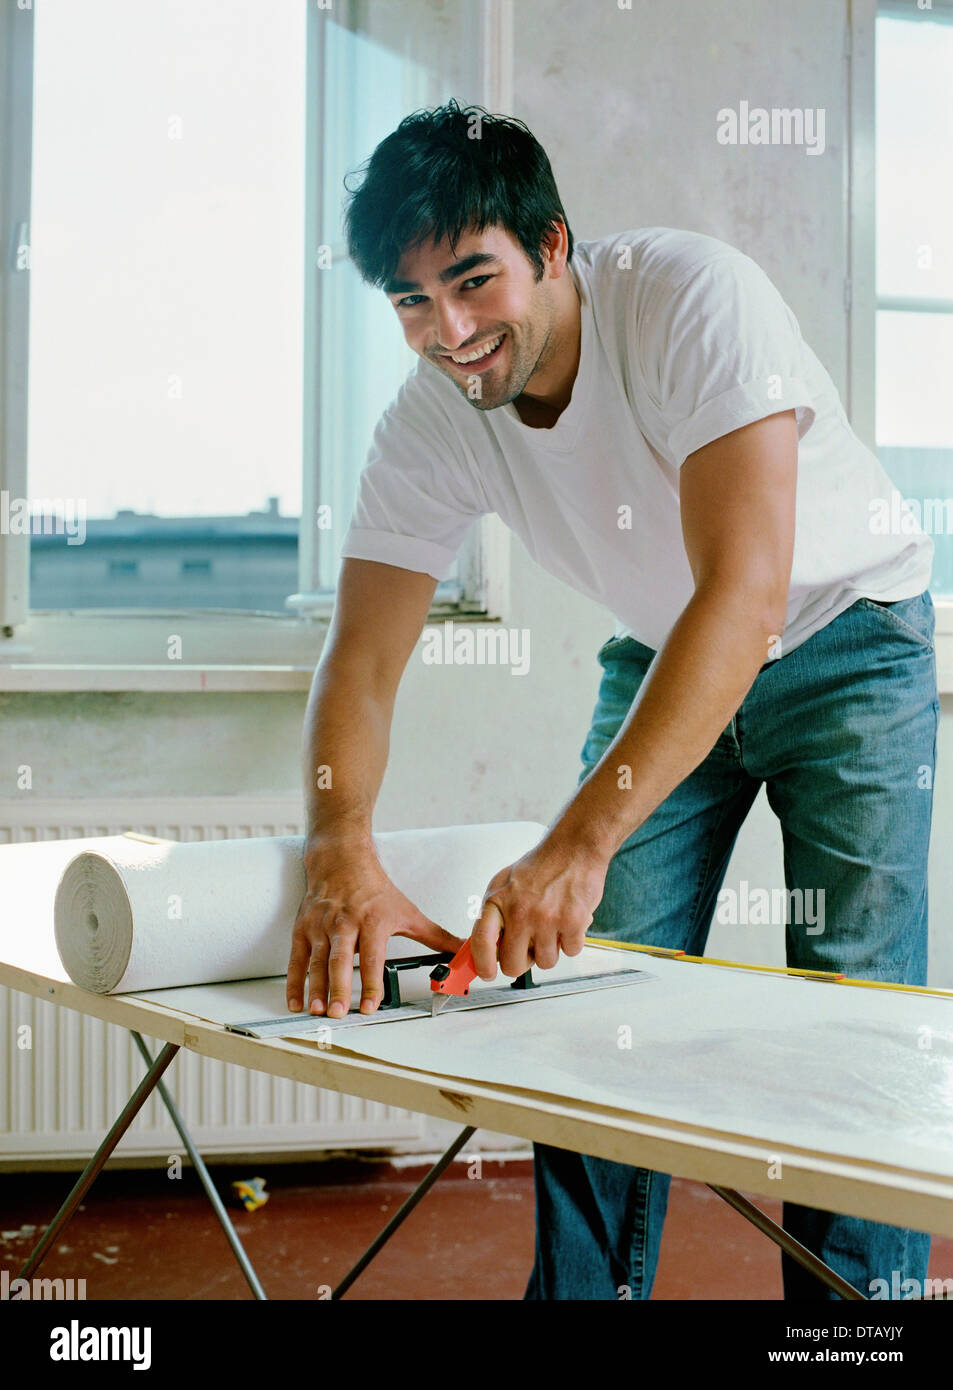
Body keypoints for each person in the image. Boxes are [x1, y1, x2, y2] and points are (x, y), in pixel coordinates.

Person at [286, 100, 937, 1300]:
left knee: (851, 1010)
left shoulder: (694, 298)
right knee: (583, 998)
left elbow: (744, 598)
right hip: (665, 649)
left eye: (474, 280)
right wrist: (337, 843)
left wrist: (578, 842)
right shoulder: (430, 418)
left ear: (550, 246)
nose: (451, 331)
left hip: (847, 636)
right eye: (412, 301)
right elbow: (360, 660)